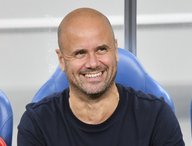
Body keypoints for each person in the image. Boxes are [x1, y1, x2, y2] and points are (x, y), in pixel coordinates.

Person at [17, 8, 184, 146]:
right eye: (80, 53)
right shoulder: (37, 124)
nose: (93, 63)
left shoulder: (156, 116)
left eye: (101, 49)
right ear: (62, 60)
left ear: (115, 50)